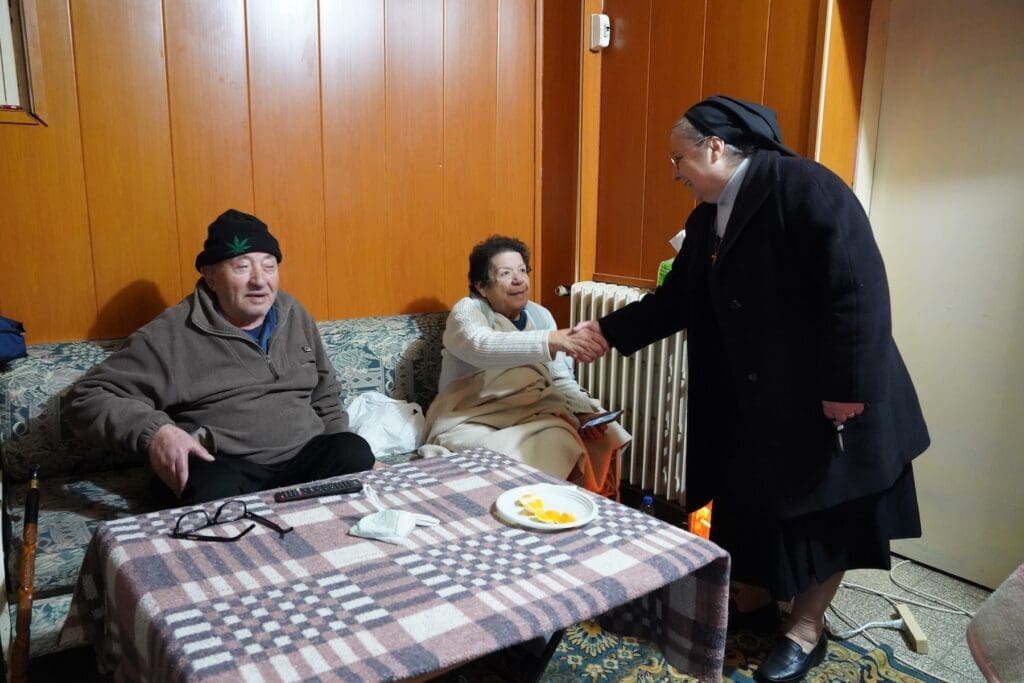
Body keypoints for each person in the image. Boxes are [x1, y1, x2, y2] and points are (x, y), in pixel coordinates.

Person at [575, 96, 929, 682]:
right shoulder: (707, 216)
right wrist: (604, 332)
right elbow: (677, 301)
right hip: (754, 401)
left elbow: (858, 290)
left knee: (824, 513)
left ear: (715, 147)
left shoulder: (805, 186)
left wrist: (846, 389)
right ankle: (757, 606)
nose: (675, 172)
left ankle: (806, 628)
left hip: (828, 397)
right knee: (747, 499)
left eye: (678, 158)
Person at [67, 209, 374, 505]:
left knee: (354, 452)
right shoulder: (171, 334)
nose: (259, 280)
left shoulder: (293, 313)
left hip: (302, 461)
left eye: (269, 266)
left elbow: (325, 392)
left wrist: (351, 465)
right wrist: (156, 432)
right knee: (212, 486)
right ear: (210, 275)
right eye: (242, 267)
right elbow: (86, 397)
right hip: (226, 468)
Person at [420, 235, 629, 496]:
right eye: (506, 273)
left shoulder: (541, 316)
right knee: (554, 440)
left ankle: (579, 509)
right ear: (482, 286)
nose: (519, 279)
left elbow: (561, 379)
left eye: (522, 271)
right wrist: (552, 340)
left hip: (532, 413)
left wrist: (583, 412)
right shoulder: (468, 312)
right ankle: (530, 508)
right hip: (471, 418)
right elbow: (481, 345)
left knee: (604, 433)